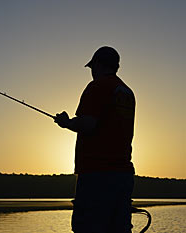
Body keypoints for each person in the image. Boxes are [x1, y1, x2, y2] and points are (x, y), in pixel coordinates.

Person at [54, 46, 135, 233]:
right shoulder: (127, 93)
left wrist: (66, 123)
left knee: (87, 227)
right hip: (123, 175)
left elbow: (88, 124)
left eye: (92, 67)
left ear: (97, 64)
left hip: (96, 174)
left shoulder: (97, 86)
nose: (91, 72)